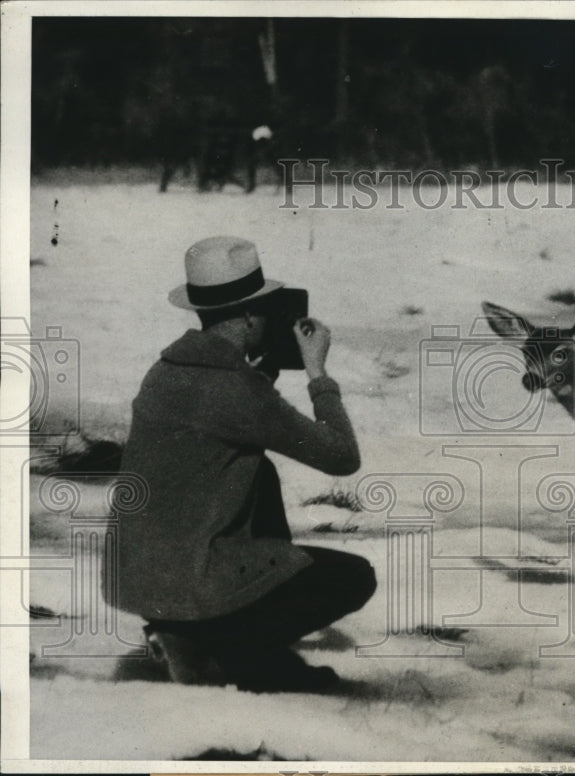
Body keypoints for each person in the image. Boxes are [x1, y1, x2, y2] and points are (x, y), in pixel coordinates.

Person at [107, 236, 376, 692]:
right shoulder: (239, 392)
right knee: (352, 577)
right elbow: (342, 456)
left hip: (141, 579)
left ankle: (189, 632)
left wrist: (257, 377)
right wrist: (318, 374)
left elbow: (217, 418)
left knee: (258, 471)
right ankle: (234, 653)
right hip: (192, 581)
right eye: (266, 311)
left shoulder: (164, 372)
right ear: (251, 316)